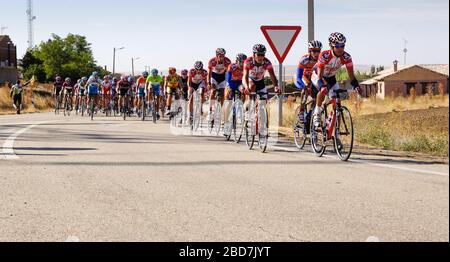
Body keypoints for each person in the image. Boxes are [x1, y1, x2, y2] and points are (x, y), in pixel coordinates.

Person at [311, 32, 362, 128]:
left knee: (337, 102)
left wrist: (356, 86)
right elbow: (320, 76)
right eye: (337, 46)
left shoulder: (346, 57)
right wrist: (322, 86)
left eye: (342, 45)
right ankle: (317, 113)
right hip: (318, 75)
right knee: (322, 90)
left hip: (331, 77)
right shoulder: (325, 55)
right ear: (332, 46)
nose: (340, 48)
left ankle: (335, 131)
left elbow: (351, 76)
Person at [295, 40, 323, 123]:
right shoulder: (304, 59)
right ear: (310, 51)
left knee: (318, 94)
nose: (316, 53)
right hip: (304, 76)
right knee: (306, 87)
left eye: (318, 51)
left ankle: (312, 114)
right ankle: (301, 110)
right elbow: (298, 77)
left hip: (314, 77)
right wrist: (303, 86)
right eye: (314, 51)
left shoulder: (321, 59)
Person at [208, 48, 231, 116]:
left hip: (222, 77)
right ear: (216, 55)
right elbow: (209, 73)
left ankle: (220, 109)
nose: (222, 57)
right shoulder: (212, 61)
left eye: (223, 56)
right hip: (214, 77)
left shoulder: (227, 61)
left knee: (223, 92)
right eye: (220, 56)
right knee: (213, 91)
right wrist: (208, 82)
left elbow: (228, 72)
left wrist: (228, 82)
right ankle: (210, 110)